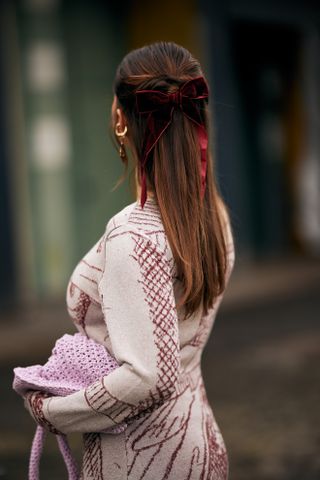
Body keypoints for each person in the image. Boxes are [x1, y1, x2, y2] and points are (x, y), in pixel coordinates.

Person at [24, 41, 236, 480]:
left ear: (121, 119)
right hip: (200, 441)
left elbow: (148, 378)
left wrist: (54, 411)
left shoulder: (132, 235)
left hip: (141, 459)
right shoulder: (213, 213)